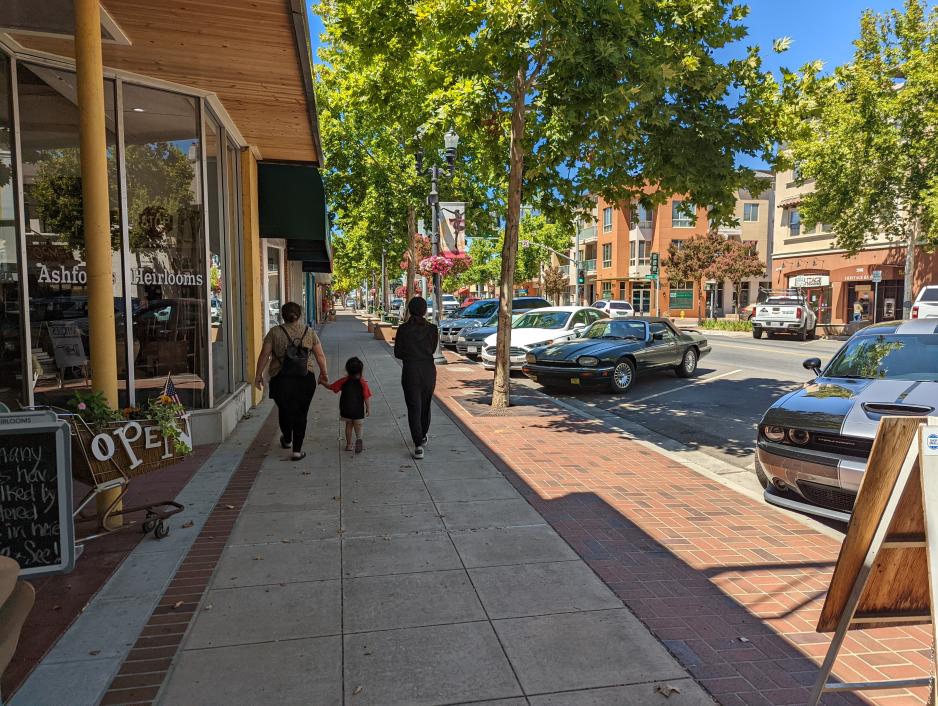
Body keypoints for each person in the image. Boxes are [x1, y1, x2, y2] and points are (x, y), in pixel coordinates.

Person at [253, 302, 328, 461]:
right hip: (305, 377)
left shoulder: (274, 332)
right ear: (299, 315)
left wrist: (258, 375)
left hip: (281, 378)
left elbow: (264, 355)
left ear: (282, 315)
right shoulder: (309, 332)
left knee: (285, 410)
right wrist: (324, 373)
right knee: (301, 413)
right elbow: (320, 355)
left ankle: (287, 439)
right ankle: (297, 451)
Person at [394, 296, 438, 459]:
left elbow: (397, 353)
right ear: (425, 311)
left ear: (409, 310)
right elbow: (433, 349)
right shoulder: (432, 329)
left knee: (414, 406)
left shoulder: (403, 329)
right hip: (428, 369)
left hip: (410, 369)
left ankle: (418, 444)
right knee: (425, 404)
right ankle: (423, 435)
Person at [323, 356, 372, 453]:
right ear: (360, 370)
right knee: (359, 425)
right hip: (358, 410)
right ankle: (359, 440)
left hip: (346, 409)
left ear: (347, 370)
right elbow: (366, 397)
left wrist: (322, 382)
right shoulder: (363, 383)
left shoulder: (343, 381)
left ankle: (349, 445)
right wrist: (368, 408)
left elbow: (331, 387)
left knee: (348, 425)